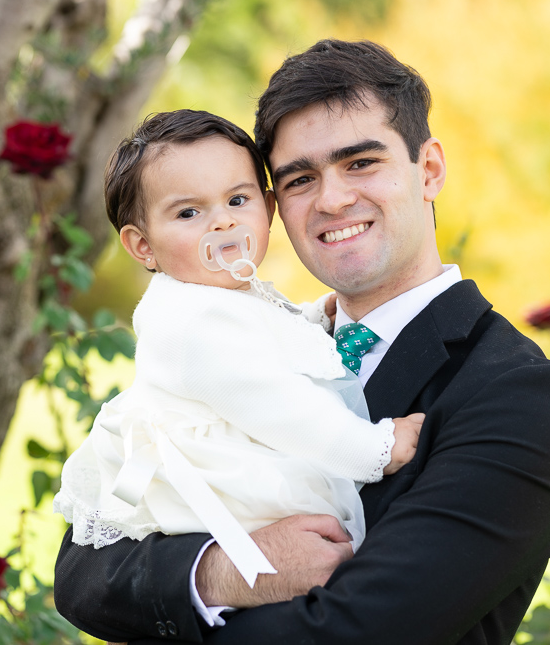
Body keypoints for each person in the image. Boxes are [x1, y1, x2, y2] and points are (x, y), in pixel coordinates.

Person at [54, 39, 550, 645]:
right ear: (277, 204)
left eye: (361, 163)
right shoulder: (239, 342)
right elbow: (82, 572)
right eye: (301, 178)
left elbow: (364, 629)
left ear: (429, 170)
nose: (332, 200)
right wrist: (223, 573)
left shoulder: (518, 395)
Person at [53, 109, 424, 589]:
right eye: (189, 212)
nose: (222, 223)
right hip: (223, 482)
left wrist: (313, 319)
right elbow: (282, 408)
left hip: (218, 463)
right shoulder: (194, 321)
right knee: (324, 555)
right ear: (143, 246)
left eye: (237, 199)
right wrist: (375, 449)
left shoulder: (216, 295)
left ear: (267, 209)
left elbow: (261, 335)